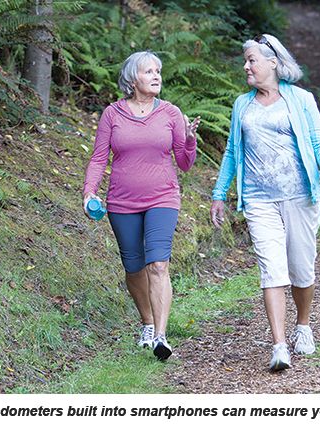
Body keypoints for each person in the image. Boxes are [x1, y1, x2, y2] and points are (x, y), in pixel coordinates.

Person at [210, 34, 320, 371]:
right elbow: (233, 152)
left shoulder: (302, 99)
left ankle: (303, 326)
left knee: (301, 269)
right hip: (259, 200)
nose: (246, 66)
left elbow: (319, 140)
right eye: (246, 61)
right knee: (272, 270)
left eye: (252, 60)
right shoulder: (242, 104)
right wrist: (220, 193)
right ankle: (279, 346)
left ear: (273, 63)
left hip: (299, 196)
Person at [83, 51, 201, 361]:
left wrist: (189, 140)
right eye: (149, 71)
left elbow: (185, 163)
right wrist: (89, 191)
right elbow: (98, 158)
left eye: (158, 71)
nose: (156, 76)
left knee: (158, 264)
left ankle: (161, 337)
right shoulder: (112, 114)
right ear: (133, 79)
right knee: (134, 268)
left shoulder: (171, 114)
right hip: (122, 201)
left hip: (163, 197)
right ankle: (147, 323)